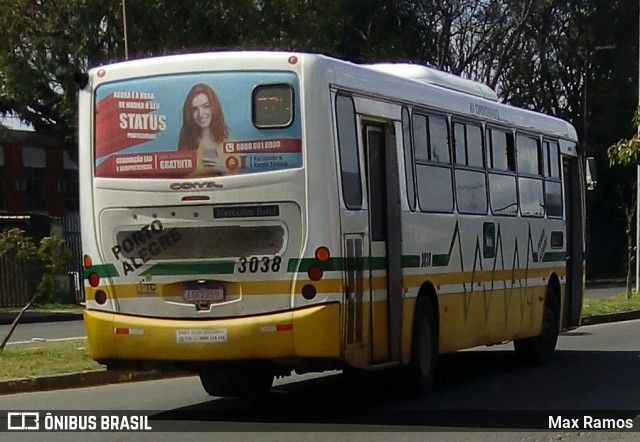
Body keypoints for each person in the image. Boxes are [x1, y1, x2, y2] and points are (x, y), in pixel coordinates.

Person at [178, 83, 230, 176]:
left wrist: (224, 170)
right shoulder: (186, 145)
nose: (201, 114)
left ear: (214, 107)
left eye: (206, 106)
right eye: (195, 109)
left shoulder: (230, 145)